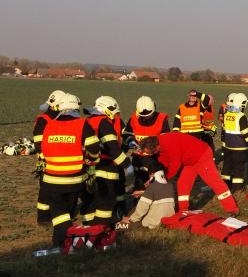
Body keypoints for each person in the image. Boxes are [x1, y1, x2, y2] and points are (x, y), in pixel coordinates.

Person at [35, 93, 100, 247]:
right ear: (76, 108)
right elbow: (94, 148)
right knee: (67, 211)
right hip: (75, 179)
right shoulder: (82, 124)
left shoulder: (49, 124)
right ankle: (68, 240)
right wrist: (91, 161)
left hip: (51, 179)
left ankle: (61, 243)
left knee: (59, 213)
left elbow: (41, 149)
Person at [139, 133, 239, 215]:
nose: (151, 155)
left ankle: (232, 208)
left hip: (201, 155)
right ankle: (183, 211)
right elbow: (164, 163)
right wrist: (155, 176)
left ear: (156, 147)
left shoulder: (169, 142)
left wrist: (165, 179)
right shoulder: (160, 147)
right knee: (182, 184)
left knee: (214, 181)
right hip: (190, 161)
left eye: (151, 153)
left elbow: (175, 164)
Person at [83, 96, 133, 224]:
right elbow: (113, 150)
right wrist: (127, 165)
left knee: (90, 201)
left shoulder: (87, 122)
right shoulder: (103, 123)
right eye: (115, 113)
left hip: (87, 167)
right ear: (107, 110)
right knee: (105, 202)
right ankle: (102, 231)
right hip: (105, 167)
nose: (116, 116)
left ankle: (88, 227)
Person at [32, 90, 66, 224]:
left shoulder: (59, 118)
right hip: (46, 161)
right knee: (46, 190)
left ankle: (56, 215)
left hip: (59, 160)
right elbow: (39, 144)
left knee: (57, 189)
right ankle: (43, 218)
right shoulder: (44, 120)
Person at [122, 96, 170, 189]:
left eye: (149, 115)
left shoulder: (162, 118)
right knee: (139, 183)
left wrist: (153, 150)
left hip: (155, 158)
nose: (146, 117)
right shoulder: (133, 118)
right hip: (138, 159)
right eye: (143, 116)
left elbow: (166, 140)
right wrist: (130, 140)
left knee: (156, 184)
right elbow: (126, 134)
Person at [121, 161, 176, 229]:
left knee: (120, 225)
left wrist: (131, 219)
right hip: (168, 221)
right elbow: (159, 193)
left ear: (152, 174)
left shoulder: (152, 187)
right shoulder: (171, 186)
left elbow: (142, 208)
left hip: (153, 223)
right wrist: (144, 192)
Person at [221, 93, 248, 192]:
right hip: (240, 147)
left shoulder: (227, 114)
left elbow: (224, 131)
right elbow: (245, 133)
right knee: (239, 169)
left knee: (227, 167)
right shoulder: (241, 116)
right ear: (243, 103)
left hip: (229, 146)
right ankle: (237, 189)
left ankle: (224, 187)